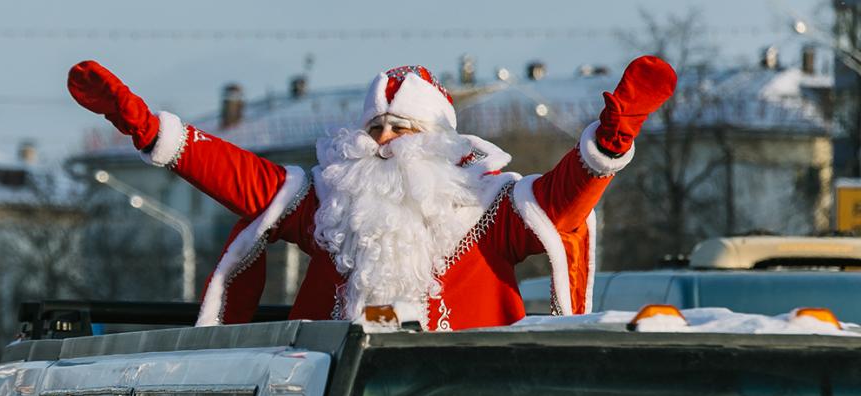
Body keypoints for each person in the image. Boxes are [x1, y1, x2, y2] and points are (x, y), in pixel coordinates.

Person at [67, 57, 676, 330]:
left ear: (439, 140)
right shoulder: (332, 205)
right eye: (376, 128)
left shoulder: (490, 207)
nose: (384, 141)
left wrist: (609, 143)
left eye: (401, 129)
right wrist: (152, 131)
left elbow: (563, 202)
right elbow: (245, 179)